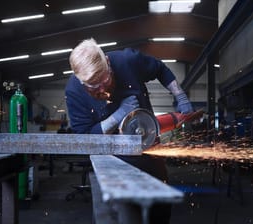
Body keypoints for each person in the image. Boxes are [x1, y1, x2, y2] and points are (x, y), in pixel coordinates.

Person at [65, 38, 193, 223]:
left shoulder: (127, 61)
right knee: (120, 214)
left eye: (105, 80)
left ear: (107, 63)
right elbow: (85, 140)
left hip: (149, 151)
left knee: (160, 209)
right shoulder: (74, 91)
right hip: (110, 161)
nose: (102, 88)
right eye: (94, 86)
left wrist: (180, 95)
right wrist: (117, 116)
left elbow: (159, 69)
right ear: (82, 81)